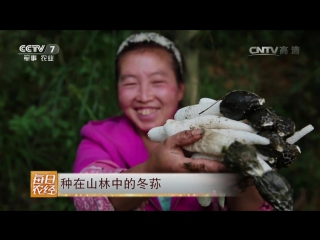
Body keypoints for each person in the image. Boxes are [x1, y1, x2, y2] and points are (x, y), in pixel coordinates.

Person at [73, 32, 273, 211]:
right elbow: (87, 194)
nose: (144, 96)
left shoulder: (213, 129)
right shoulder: (99, 137)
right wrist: (152, 170)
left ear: (180, 89)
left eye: (158, 82)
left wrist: (243, 173)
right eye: (131, 83)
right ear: (117, 89)